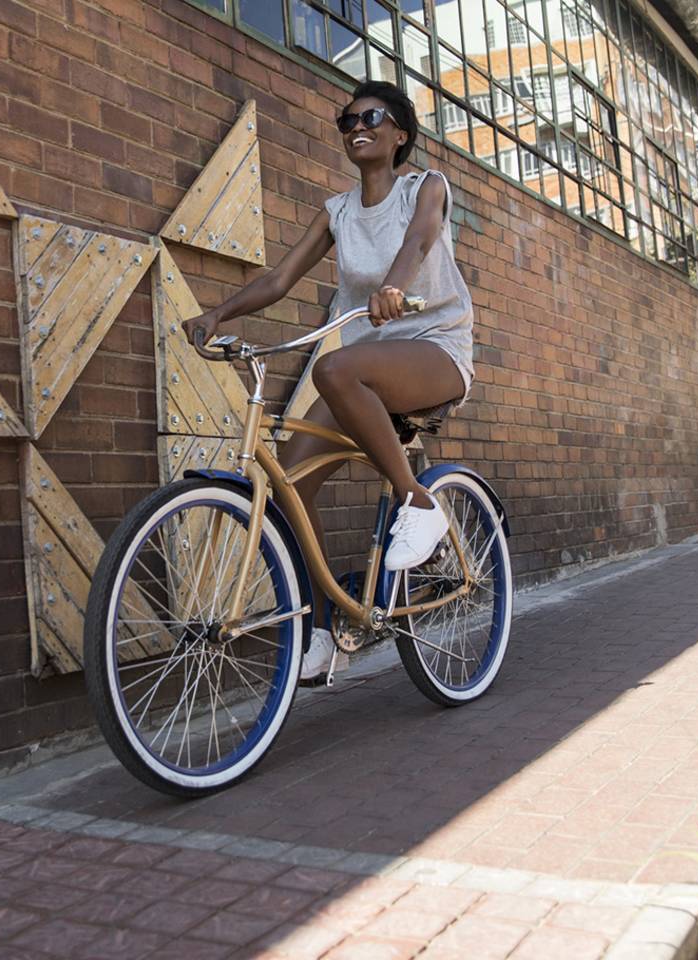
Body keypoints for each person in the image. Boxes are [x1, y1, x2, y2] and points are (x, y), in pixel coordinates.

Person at [182, 80, 476, 681]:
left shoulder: (427, 186)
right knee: (290, 486)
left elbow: (420, 238)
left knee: (333, 365)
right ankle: (319, 631)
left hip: (433, 350)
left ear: (400, 134)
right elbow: (279, 279)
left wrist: (395, 284)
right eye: (346, 120)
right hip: (365, 375)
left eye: (371, 116)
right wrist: (219, 313)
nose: (356, 126)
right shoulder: (337, 213)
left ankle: (420, 504)